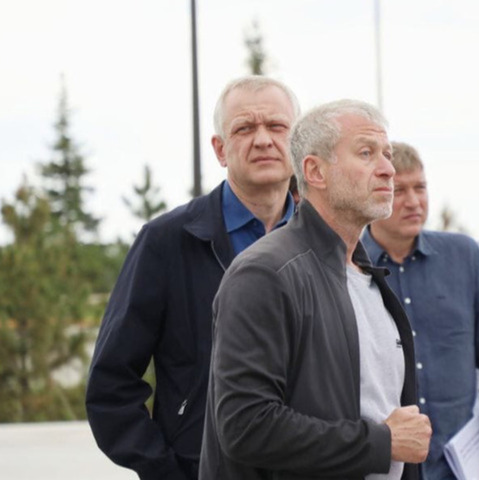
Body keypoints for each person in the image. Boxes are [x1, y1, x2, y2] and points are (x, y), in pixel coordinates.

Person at [199, 100, 431, 480]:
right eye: (366, 153)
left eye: (386, 155)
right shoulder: (265, 274)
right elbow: (245, 426)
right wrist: (381, 443)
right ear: (315, 171)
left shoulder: (369, 277)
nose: (388, 169)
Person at [85, 75, 299, 480]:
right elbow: (110, 385)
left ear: (299, 142)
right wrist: (167, 471)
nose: (263, 140)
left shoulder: (325, 246)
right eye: (244, 128)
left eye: (276, 126)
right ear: (220, 149)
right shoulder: (166, 242)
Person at [361, 142, 479, 480]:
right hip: (380, 467)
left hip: (460, 467)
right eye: (399, 190)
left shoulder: (464, 255)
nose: (414, 201)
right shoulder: (350, 266)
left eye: (420, 187)